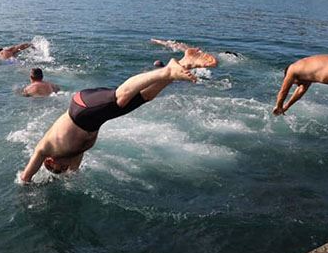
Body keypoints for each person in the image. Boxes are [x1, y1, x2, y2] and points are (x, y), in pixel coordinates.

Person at [19, 48, 218, 182]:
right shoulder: (73, 155)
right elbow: (74, 175)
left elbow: (25, 178)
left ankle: (168, 70)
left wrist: (26, 186)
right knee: (145, 96)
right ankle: (187, 61)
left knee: (120, 97)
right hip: (92, 115)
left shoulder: (44, 149)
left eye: (60, 169)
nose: (65, 169)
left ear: (50, 161)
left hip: (82, 110)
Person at [151, 38, 218, 67]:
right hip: (194, 54)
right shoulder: (188, 52)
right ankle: (157, 41)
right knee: (175, 45)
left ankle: (157, 41)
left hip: (192, 55)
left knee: (174, 45)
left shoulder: (188, 53)